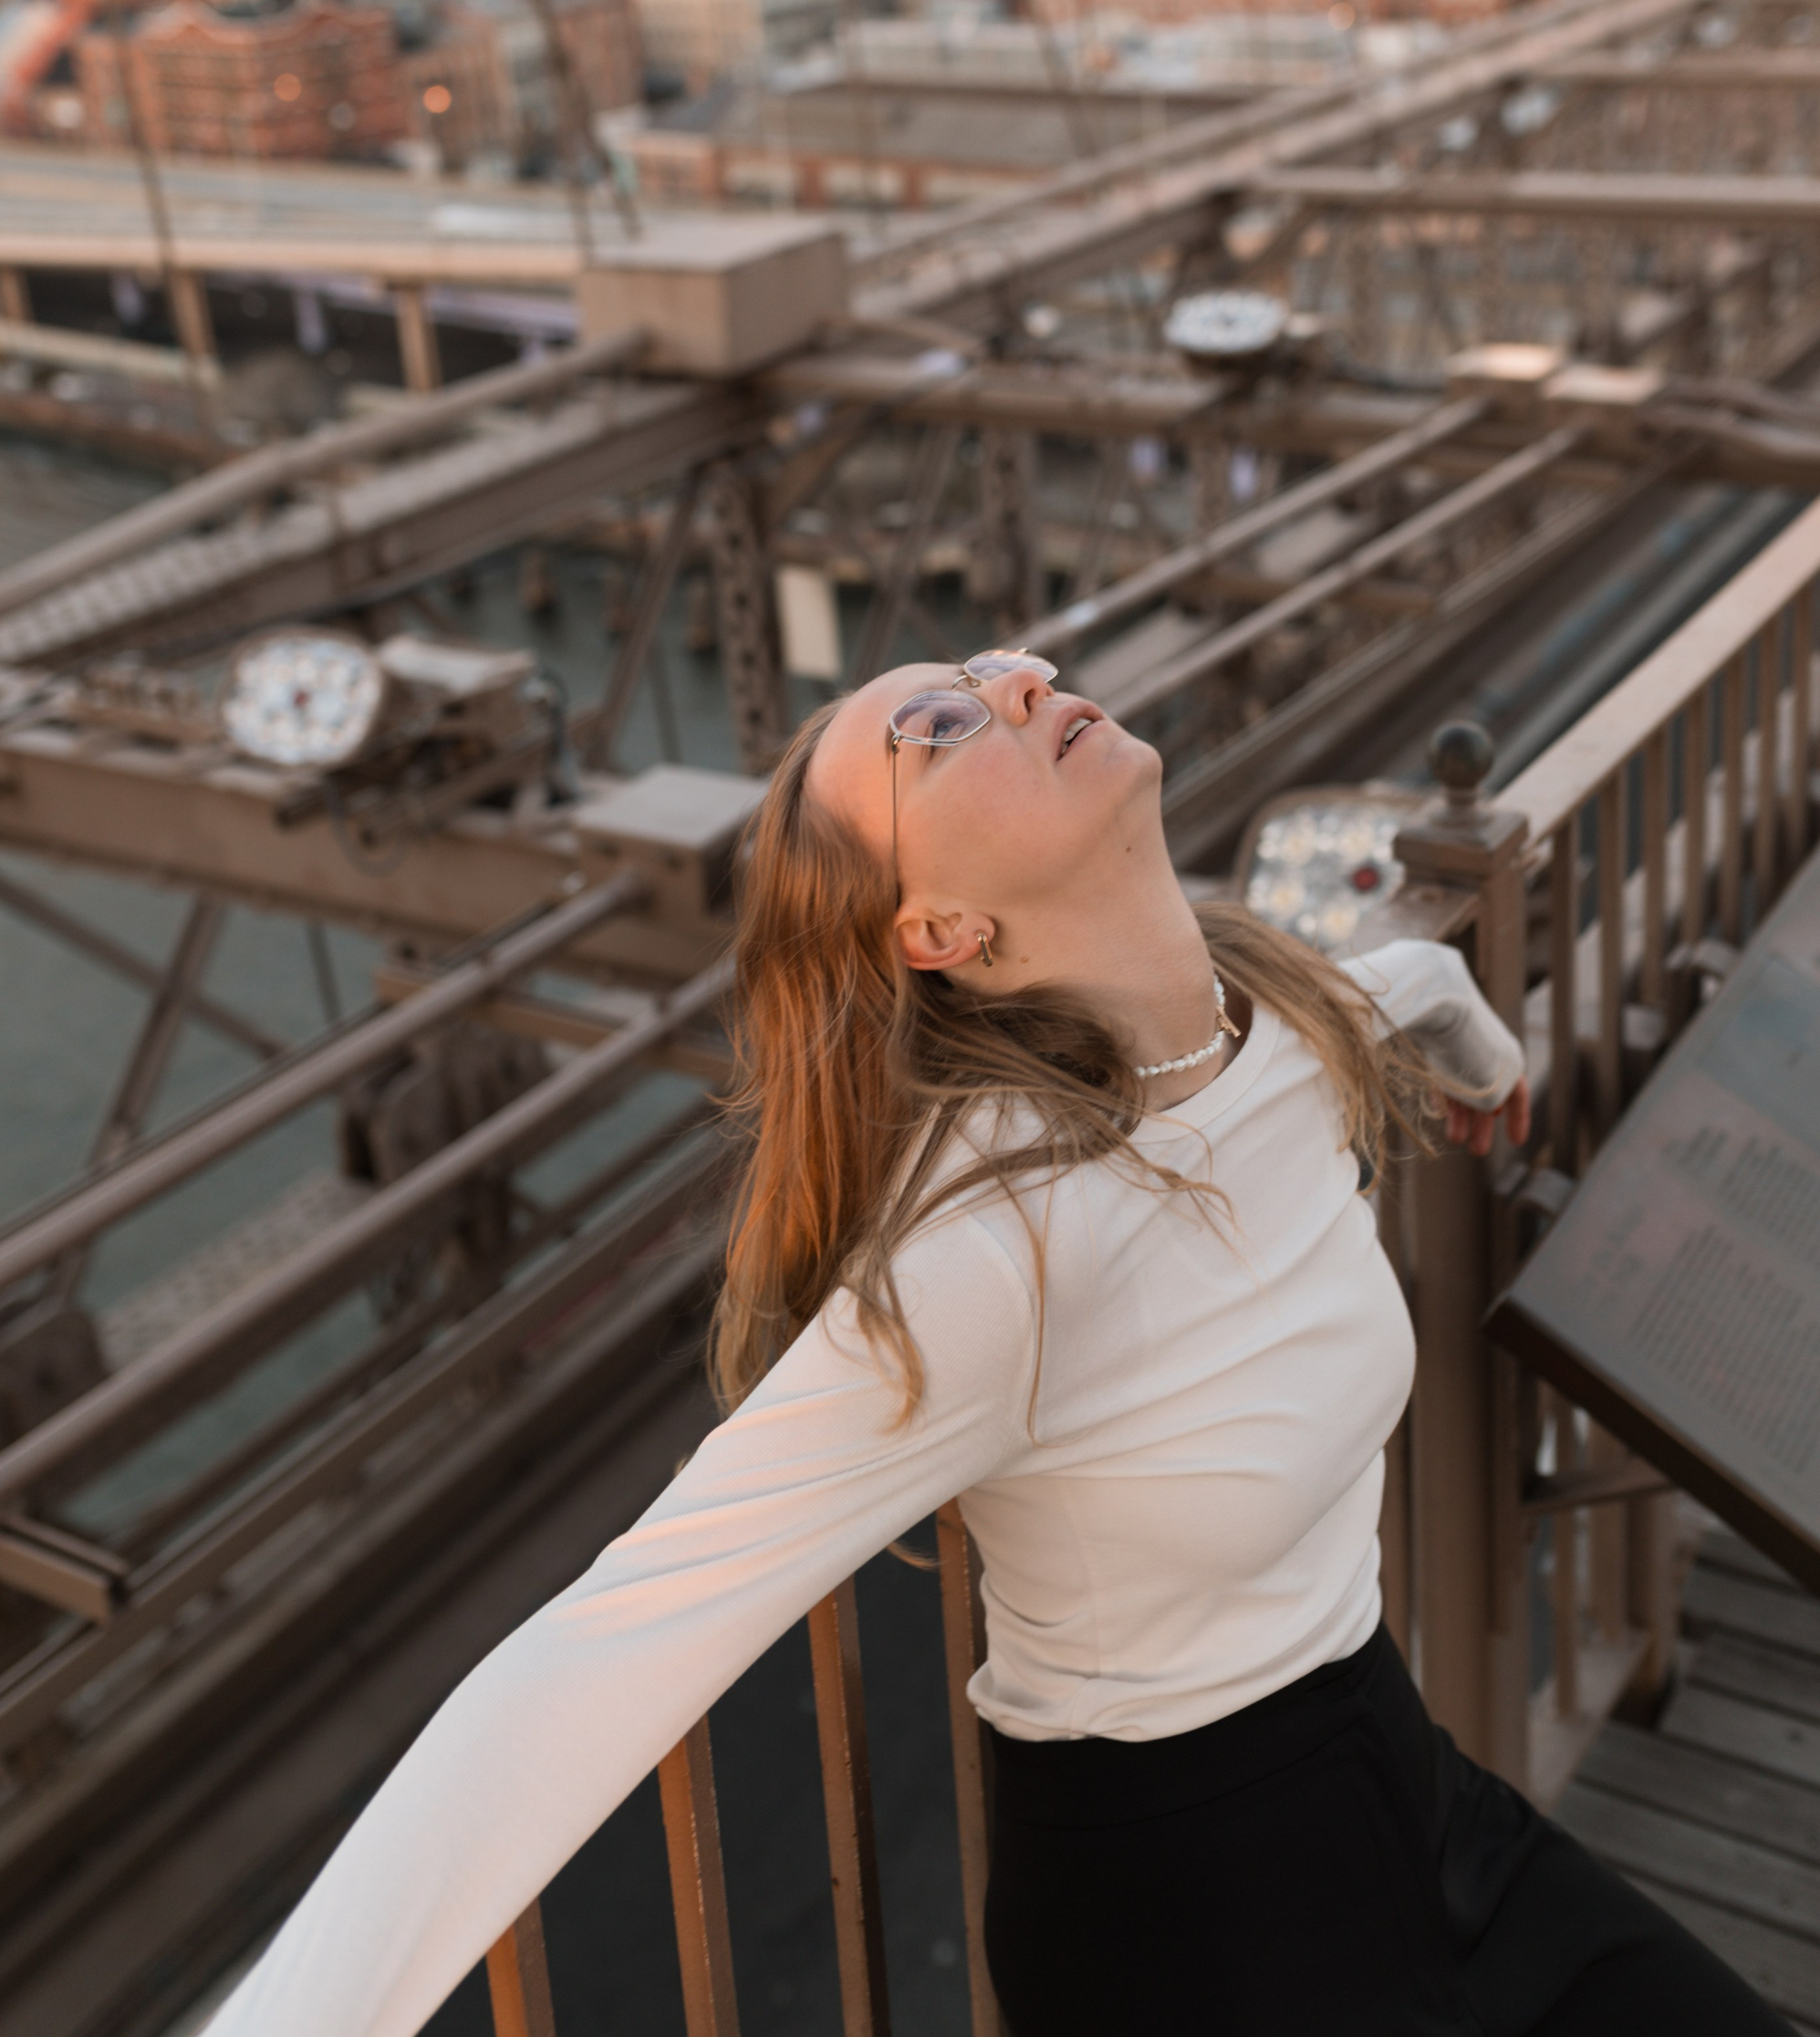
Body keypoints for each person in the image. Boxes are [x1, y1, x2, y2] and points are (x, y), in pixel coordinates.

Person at [209, 653, 1789, 2037]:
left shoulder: (1268, 1018)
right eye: (945, 724)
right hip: (1190, 1921)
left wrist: (1471, 1046)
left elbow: (1397, 986)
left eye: (992, 666)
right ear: (941, 927)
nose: (1023, 679)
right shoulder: (996, 1249)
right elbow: (595, 1656)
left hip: (1401, 1783)